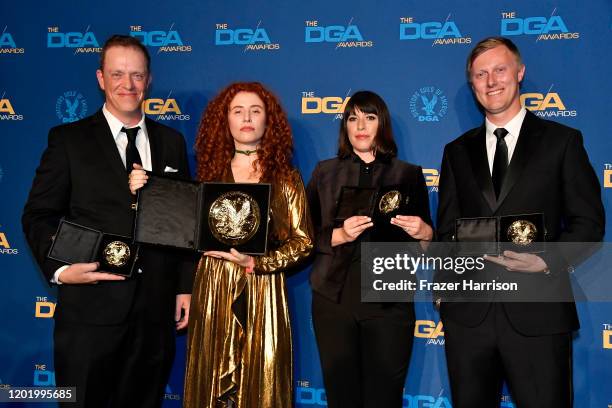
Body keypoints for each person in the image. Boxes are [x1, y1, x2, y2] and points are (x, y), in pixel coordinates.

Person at [22, 35, 194, 407]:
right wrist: (61, 270)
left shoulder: (172, 142)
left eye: (136, 75)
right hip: (89, 314)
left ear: (148, 80)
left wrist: (184, 286)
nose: (127, 85)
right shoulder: (68, 140)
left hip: (154, 315)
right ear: (101, 78)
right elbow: (38, 215)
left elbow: (183, 221)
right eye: (117, 74)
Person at [436, 37, 605, 407]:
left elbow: (588, 223)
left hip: (538, 315)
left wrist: (547, 260)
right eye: (481, 74)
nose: (491, 81)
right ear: (472, 83)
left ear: (519, 72)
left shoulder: (562, 142)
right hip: (469, 319)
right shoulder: (456, 151)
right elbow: (448, 230)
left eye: (499, 69)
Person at [132, 81, 312, 407]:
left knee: (262, 380)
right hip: (213, 284)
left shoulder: (286, 177)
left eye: (256, 111)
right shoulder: (207, 175)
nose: (247, 118)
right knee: (211, 379)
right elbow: (177, 230)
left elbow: (303, 241)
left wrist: (259, 263)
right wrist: (144, 185)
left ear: (268, 121)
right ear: (224, 120)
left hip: (262, 287)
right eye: (238, 111)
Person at [306, 90, 433, 407]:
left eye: (370, 117)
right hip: (333, 299)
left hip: (389, 300)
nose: (360, 125)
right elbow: (301, 238)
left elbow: (428, 242)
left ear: (382, 124)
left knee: (384, 398)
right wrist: (337, 235)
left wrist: (424, 232)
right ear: (345, 127)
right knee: (342, 398)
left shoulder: (408, 174)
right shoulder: (324, 173)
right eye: (352, 118)